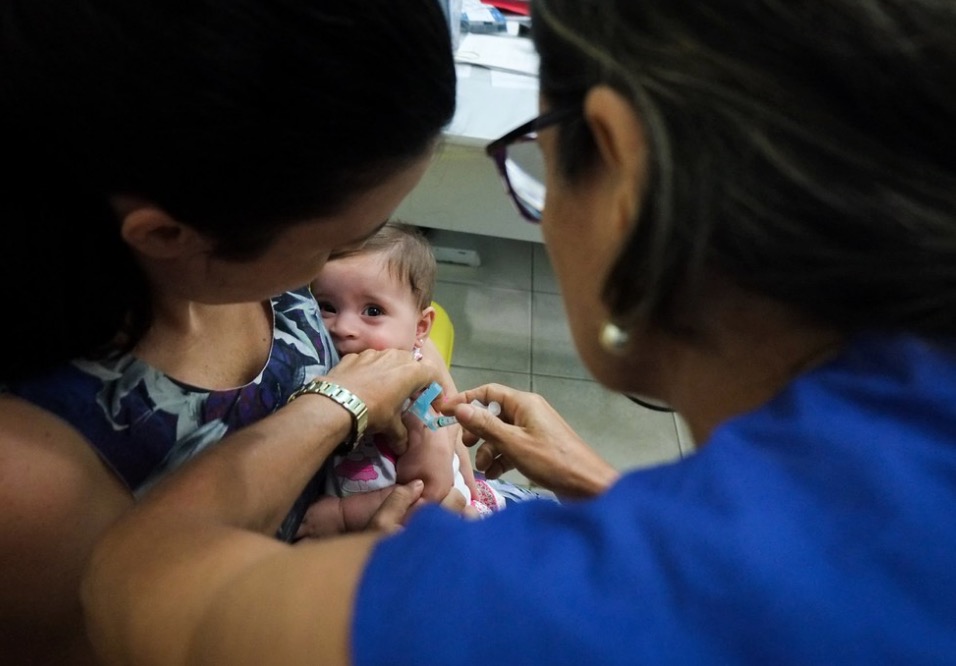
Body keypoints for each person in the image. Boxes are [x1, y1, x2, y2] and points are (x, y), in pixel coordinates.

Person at [83, 0, 956, 664]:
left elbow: (137, 583)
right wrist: (601, 488)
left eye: (537, 151)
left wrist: (339, 400)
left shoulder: (549, 604)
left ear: (622, 170)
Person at [0, 1, 468, 663]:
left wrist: (447, 444)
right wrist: (327, 582)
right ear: (168, 235)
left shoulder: (242, 215)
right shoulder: (32, 477)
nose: (339, 279)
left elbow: (413, 363)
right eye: (338, 242)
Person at [302, 221, 510, 533]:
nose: (342, 327)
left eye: (372, 311)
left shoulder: (419, 397)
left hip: (426, 522)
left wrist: (343, 513)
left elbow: (428, 493)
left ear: (421, 328)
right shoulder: (331, 360)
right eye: (327, 306)